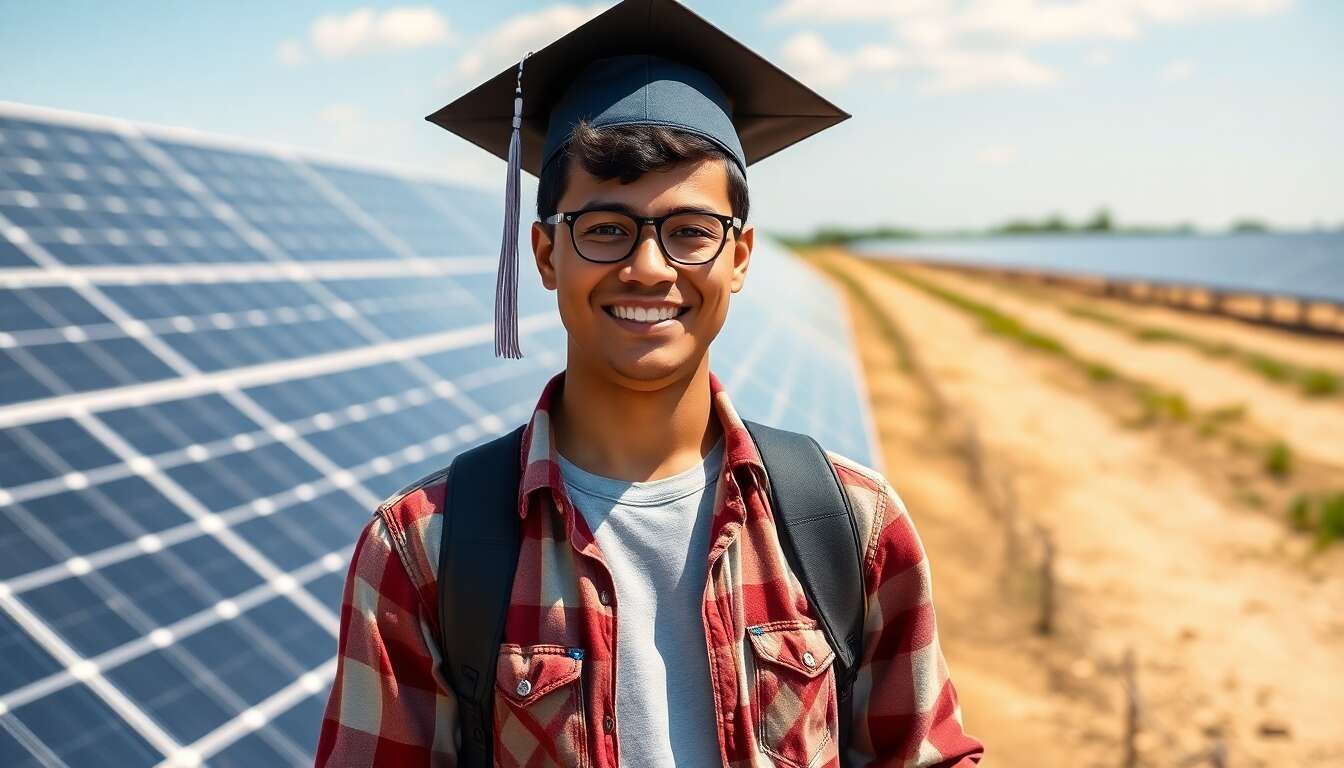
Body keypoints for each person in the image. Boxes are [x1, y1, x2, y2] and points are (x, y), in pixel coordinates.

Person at [316, 0, 983, 765]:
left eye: (692, 232)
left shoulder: (852, 527)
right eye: (604, 229)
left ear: (741, 257)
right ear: (543, 254)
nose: (649, 267)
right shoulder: (424, 550)